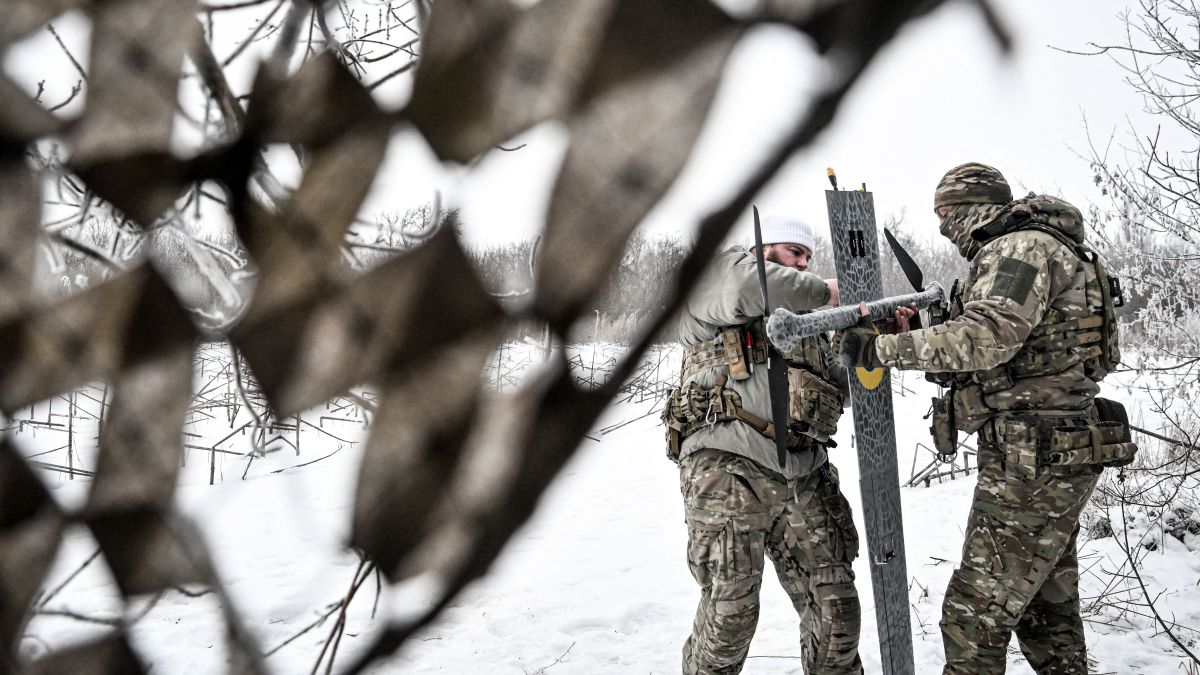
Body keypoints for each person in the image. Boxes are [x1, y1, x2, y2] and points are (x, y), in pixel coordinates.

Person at [834, 162, 1134, 674]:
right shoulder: (1043, 247)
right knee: (1044, 610)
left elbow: (985, 339)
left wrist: (881, 348)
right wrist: (928, 331)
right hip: (1050, 445)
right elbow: (1016, 345)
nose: (945, 229)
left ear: (972, 207)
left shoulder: (1019, 248)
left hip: (1035, 455)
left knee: (973, 617)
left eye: (946, 215)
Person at [663, 214, 863, 674]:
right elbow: (744, 289)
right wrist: (832, 291)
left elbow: (841, 391)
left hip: (803, 473)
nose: (804, 266)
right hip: (728, 466)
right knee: (730, 614)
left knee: (837, 613)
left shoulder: (811, 326)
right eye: (796, 254)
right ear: (765, 248)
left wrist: (871, 332)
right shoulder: (721, 276)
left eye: (810, 258)